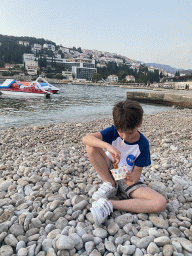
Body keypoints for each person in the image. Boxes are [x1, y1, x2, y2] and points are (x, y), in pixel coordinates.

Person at [82, 100, 167, 225]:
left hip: (128, 179)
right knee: (91, 146)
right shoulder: (113, 132)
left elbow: (137, 173)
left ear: (140, 123)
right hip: (110, 170)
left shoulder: (143, 144)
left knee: (160, 203)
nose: (124, 137)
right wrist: (107, 146)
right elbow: (86, 138)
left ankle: (109, 204)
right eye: (121, 132)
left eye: (130, 132)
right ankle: (110, 184)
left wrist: (131, 178)